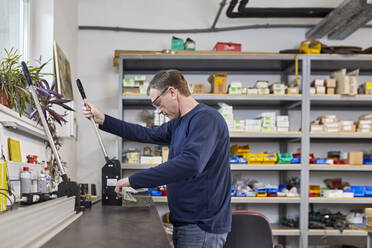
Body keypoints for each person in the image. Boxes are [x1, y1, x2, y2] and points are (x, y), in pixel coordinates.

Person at [83, 69, 232, 248]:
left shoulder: (206, 119)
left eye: (158, 104)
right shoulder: (179, 123)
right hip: (187, 221)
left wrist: (133, 180)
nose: (159, 111)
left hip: (202, 225)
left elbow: (190, 164)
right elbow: (145, 133)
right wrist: (104, 120)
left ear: (172, 91)